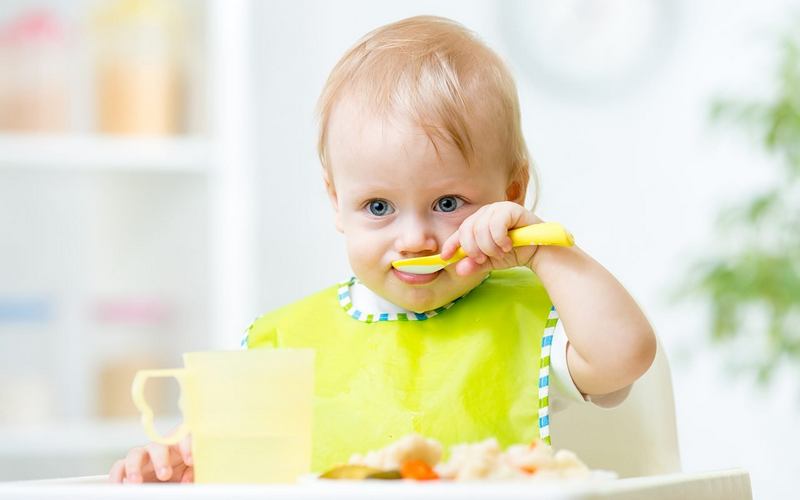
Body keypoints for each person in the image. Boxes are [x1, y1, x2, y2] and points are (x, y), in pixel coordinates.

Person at [110, 15, 656, 484]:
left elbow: (626, 355)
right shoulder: (283, 345)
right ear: (336, 202)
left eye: (448, 202)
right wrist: (180, 468)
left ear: (510, 194)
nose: (414, 237)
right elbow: (231, 468)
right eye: (378, 206)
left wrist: (544, 250)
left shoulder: (532, 318)